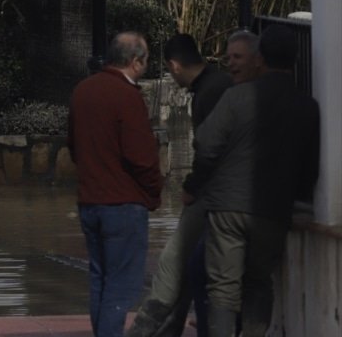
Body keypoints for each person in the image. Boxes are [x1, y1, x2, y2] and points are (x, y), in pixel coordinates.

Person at [187, 25, 321, 337]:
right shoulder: (307, 107)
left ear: (259, 58)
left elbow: (206, 144)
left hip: (228, 208)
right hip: (273, 209)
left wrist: (201, 181)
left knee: (223, 287)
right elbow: (310, 170)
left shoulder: (237, 97)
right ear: (297, 60)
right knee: (259, 283)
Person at [125, 34, 233, 337]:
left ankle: (145, 329)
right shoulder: (219, 85)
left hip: (211, 192)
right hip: (224, 193)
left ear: (174, 66)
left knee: (173, 261)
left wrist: (191, 186)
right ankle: (169, 327)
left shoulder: (209, 92)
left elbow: (209, 149)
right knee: (188, 265)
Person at [70, 31, 164, 337]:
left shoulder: (82, 91)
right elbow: (142, 156)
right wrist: (153, 192)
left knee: (100, 280)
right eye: (146, 60)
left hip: (90, 201)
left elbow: (73, 145)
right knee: (121, 288)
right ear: (135, 62)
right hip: (123, 205)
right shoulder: (127, 97)